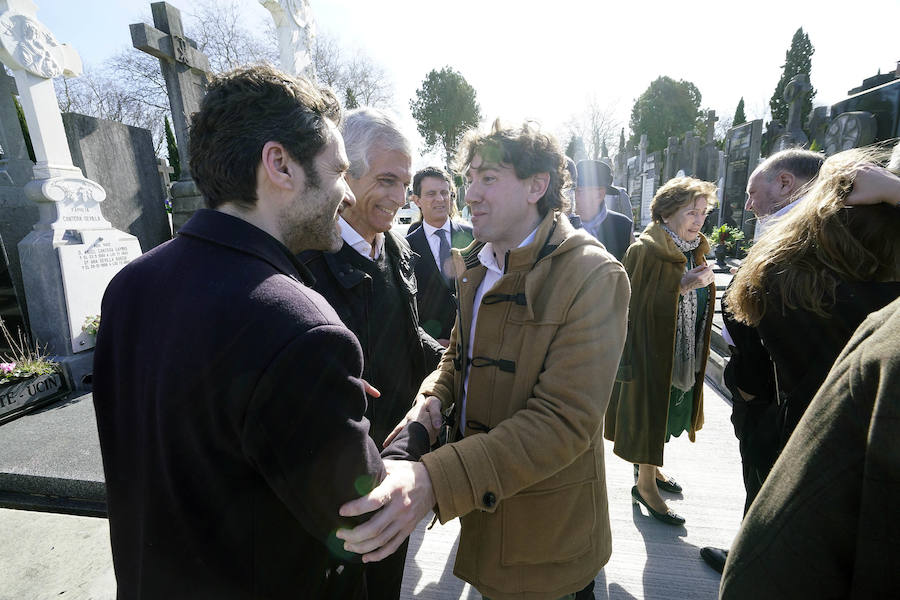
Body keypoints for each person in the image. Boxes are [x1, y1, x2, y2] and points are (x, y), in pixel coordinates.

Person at [91, 66, 431, 599]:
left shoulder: (130, 285)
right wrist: (418, 435)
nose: (345, 195)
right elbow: (365, 515)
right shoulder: (301, 328)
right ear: (280, 165)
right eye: (339, 171)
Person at [338, 120, 630, 600]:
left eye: (488, 178)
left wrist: (434, 479)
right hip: (487, 516)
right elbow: (458, 354)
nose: (469, 194)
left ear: (537, 186)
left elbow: (564, 421)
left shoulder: (592, 275)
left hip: (548, 537)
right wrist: (433, 397)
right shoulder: (479, 259)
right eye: (469, 178)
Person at [299, 107, 444, 600]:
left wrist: (451, 360)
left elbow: (405, 333)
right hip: (338, 482)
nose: (401, 198)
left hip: (395, 462)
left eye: (404, 183)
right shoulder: (307, 260)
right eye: (386, 181)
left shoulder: (397, 248)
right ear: (347, 174)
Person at [720, 295, 900, 598]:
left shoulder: (777, 286)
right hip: (802, 417)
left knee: (761, 485)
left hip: (786, 418)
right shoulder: (879, 312)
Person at [701, 148, 825, 572]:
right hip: (765, 397)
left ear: (786, 183)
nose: (749, 205)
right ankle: (749, 552)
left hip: (776, 403)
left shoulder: (806, 244)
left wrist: (754, 396)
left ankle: (753, 566)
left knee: (768, 485)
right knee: (759, 486)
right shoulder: (793, 234)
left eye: (754, 193)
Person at [604, 177, 717, 526]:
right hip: (650, 352)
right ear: (667, 213)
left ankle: (649, 469)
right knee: (651, 415)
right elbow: (631, 307)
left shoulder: (691, 248)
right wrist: (682, 286)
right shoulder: (645, 250)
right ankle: (645, 487)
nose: (699, 220)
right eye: (691, 212)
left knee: (666, 414)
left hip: (679, 350)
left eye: (703, 212)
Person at [406, 166, 474, 345]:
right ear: (417, 200)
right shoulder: (406, 247)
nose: (440, 199)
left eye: (445, 192)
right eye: (431, 194)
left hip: (473, 341)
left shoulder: (473, 237)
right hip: (431, 346)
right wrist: (431, 342)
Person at [574, 159, 633, 261]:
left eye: (580, 191)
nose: (574, 197)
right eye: (573, 190)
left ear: (599, 194)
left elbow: (631, 266)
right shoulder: (562, 224)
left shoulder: (622, 226)